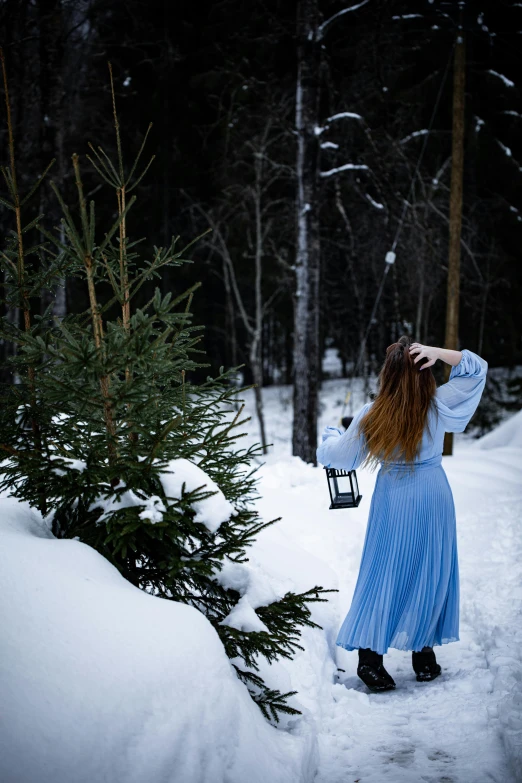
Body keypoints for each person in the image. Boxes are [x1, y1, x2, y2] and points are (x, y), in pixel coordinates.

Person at [317, 337, 487, 692]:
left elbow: (338, 457)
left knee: (384, 571)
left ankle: (370, 660)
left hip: (393, 496)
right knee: (430, 570)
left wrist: (331, 435)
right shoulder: (438, 404)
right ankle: (423, 658)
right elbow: (476, 368)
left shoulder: (373, 413)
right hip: (433, 494)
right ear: (424, 373)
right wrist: (438, 353)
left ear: (387, 376)